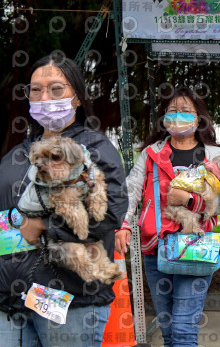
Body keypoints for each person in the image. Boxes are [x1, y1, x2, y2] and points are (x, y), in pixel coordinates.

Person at [0, 54, 128, 345]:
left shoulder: (95, 148)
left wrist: (45, 224)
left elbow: (109, 215)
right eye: (36, 90)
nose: (44, 97)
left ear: (78, 98)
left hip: (69, 298)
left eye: (56, 89)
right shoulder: (19, 152)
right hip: (11, 296)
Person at [114, 87, 220, 347]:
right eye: (172, 111)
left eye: (185, 111)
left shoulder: (216, 156)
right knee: (168, 329)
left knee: (183, 330)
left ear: (199, 118)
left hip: (196, 247)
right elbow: (130, 193)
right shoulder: (150, 154)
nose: (177, 116)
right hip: (155, 248)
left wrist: (192, 201)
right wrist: (123, 225)